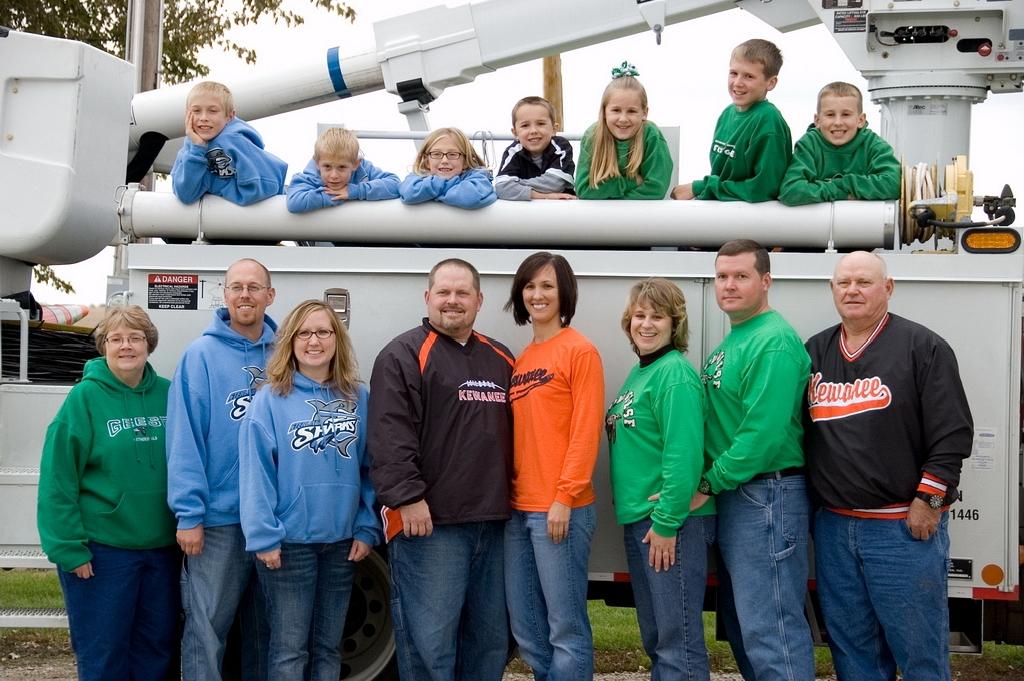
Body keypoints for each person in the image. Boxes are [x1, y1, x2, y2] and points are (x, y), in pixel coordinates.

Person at [804, 251, 973, 681]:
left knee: (919, 656)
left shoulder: (923, 347)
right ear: (832, 290)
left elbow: (952, 435)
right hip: (835, 528)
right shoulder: (815, 351)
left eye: (864, 282)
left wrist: (929, 502)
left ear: (888, 288)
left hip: (900, 530)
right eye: (844, 283)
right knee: (852, 653)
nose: (852, 291)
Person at [368, 258, 514, 681]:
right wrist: (408, 498)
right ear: (427, 297)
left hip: (495, 524)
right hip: (431, 527)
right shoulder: (402, 354)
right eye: (444, 292)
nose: (453, 301)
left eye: (462, 293)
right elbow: (389, 435)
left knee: (489, 642)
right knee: (431, 646)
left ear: (479, 300)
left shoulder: (501, 357)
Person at [239, 300, 381, 680]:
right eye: (303, 333)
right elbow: (256, 473)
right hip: (289, 545)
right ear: (290, 341)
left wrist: (366, 527)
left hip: (341, 543)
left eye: (322, 332)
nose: (313, 341)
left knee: (327, 649)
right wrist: (264, 536)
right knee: (289, 651)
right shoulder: (270, 399)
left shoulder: (357, 397)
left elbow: (371, 468)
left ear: (337, 339)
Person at [692, 239, 814, 680]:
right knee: (747, 628)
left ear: (766, 281)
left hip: (766, 495)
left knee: (771, 628)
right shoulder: (738, 337)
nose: (729, 285)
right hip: (742, 494)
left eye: (741, 276)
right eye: (722, 276)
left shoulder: (773, 341)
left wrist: (708, 482)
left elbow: (762, 435)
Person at [37, 305, 178, 681]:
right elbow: (57, 478)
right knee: (104, 654)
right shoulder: (83, 399)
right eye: (116, 339)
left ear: (149, 344)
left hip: (163, 550)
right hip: (104, 552)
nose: (126, 346)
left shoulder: (169, 394)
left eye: (135, 338)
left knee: (158, 652)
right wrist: (68, 547)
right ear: (104, 347)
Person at [167, 257, 277, 680]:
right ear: (225, 294)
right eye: (236, 287)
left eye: (254, 287)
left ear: (270, 295)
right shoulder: (200, 356)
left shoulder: (285, 354)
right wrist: (189, 513)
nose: (245, 295)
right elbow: (185, 439)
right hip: (219, 520)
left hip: (273, 518)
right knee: (206, 631)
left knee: (266, 635)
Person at [605, 278, 715, 681]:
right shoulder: (642, 372)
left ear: (675, 324)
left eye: (657, 316)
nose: (646, 324)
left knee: (677, 642)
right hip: (642, 521)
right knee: (657, 639)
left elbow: (683, 453)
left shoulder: (674, 374)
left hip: (669, 524)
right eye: (639, 315)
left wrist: (668, 521)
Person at [503, 252, 604, 680]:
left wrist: (565, 496)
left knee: (566, 629)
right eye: (529, 286)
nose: (537, 294)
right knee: (527, 629)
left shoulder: (579, 351)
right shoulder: (524, 358)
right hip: (519, 510)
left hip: (561, 509)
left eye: (547, 285)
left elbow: (586, 430)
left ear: (565, 293)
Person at [671, 39, 792, 202]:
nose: (738, 83)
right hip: (721, 210)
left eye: (749, 76)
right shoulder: (727, 114)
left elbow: (763, 189)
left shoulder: (768, 121)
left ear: (771, 83)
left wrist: (699, 187)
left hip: (748, 216)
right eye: (734, 73)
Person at [778, 81, 901, 206]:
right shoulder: (809, 145)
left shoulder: (874, 145)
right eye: (830, 115)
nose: (838, 122)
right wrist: (842, 193)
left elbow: (894, 184)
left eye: (846, 114)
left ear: (861, 120)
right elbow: (790, 191)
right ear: (817, 120)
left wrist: (843, 183)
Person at [171, 81, 288, 206]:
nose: (203, 117)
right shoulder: (191, 146)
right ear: (187, 114)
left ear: (230, 116)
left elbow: (265, 186)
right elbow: (185, 195)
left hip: (274, 212)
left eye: (212, 111)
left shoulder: (234, 140)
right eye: (196, 110)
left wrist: (210, 183)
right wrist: (197, 148)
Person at [576, 62, 672, 200]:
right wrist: (632, 182)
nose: (623, 119)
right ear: (604, 112)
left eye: (632, 111)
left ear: (644, 113)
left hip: (640, 212)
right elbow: (584, 189)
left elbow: (656, 189)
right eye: (616, 110)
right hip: (602, 213)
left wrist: (615, 202)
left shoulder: (651, 135)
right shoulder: (592, 136)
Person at [286, 127, 400, 213]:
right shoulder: (310, 176)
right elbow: (294, 202)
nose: (334, 175)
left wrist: (356, 191)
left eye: (341, 167)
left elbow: (395, 184)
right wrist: (336, 196)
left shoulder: (364, 169)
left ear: (355, 164)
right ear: (317, 164)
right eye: (327, 166)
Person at [495, 96, 576, 200]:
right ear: (515, 133)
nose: (533, 130)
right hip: (525, 209)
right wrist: (544, 196)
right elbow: (502, 188)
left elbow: (555, 183)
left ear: (554, 129)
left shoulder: (561, 146)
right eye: (525, 125)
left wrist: (516, 185)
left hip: (561, 207)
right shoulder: (512, 151)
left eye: (541, 124)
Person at [398, 127, 498, 209]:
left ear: (465, 161)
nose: (444, 160)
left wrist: (428, 193)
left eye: (453, 154)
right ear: (427, 161)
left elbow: (470, 196)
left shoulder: (479, 178)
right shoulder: (417, 177)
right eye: (436, 154)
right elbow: (409, 193)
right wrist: (451, 188)